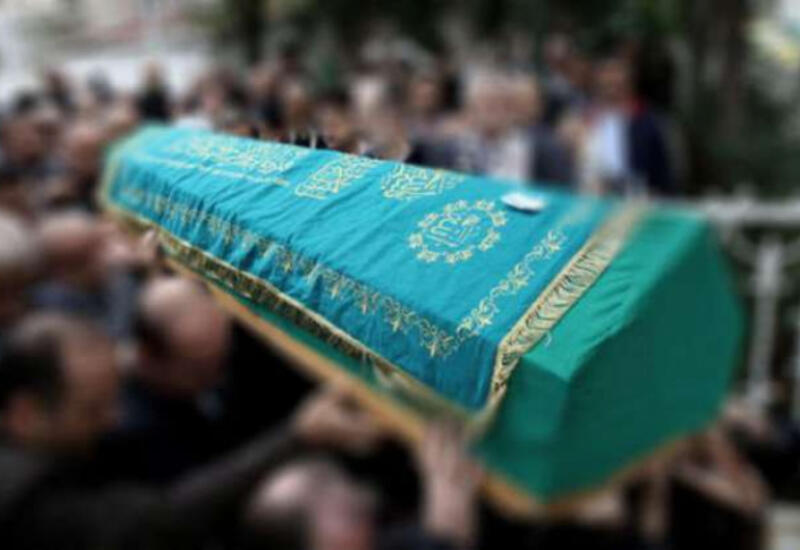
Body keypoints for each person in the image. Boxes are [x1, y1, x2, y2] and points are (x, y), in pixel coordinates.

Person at [0, 311, 383, 549]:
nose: (114, 418)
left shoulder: (47, 443)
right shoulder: (31, 505)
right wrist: (297, 436)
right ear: (24, 414)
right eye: (93, 409)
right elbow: (159, 519)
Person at [240, 423, 482, 550]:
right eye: (319, 487)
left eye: (322, 473)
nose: (335, 477)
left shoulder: (382, 537)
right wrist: (448, 511)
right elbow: (448, 539)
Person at [579, 56, 673, 196]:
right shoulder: (585, 118)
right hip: (593, 193)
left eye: (616, 82)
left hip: (635, 196)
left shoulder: (647, 122)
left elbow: (662, 174)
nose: (611, 85)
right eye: (607, 82)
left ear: (628, 83)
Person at [317, 90, 364, 155]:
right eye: (322, 126)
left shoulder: (374, 156)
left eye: (333, 125)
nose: (326, 133)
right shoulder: (320, 155)